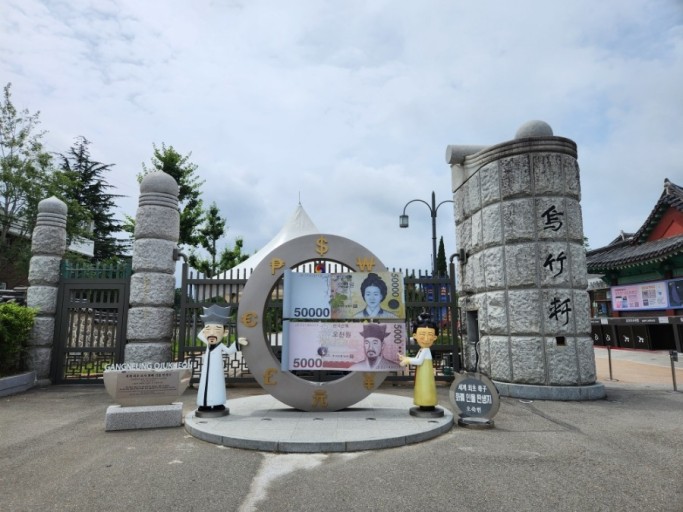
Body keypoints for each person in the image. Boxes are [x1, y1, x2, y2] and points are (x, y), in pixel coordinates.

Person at [196, 304, 248, 414]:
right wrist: (206, 326)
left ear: (225, 333)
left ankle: (218, 403)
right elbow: (200, 335)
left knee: (217, 385)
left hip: (217, 372)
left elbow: (229, 351)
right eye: (208, 329)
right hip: (206, 373)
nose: (212, 333)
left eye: (217, 329)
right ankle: (204, 404)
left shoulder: (220, 346)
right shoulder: (208, 343)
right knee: (205, 385)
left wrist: (237, 343)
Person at [398, 313, 438, 410]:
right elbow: (417, 359)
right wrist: (406, 358)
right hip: (422, 374)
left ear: (435, 337)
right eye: (422, 334)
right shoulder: (422, 349)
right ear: (415, 335)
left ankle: (427, 403)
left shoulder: (425, 350)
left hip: (425, 375)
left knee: (425, 388)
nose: (426, 339)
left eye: (430, 335)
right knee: (422, 387)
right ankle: (423, 402)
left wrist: (407, 360)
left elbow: (419, 361)